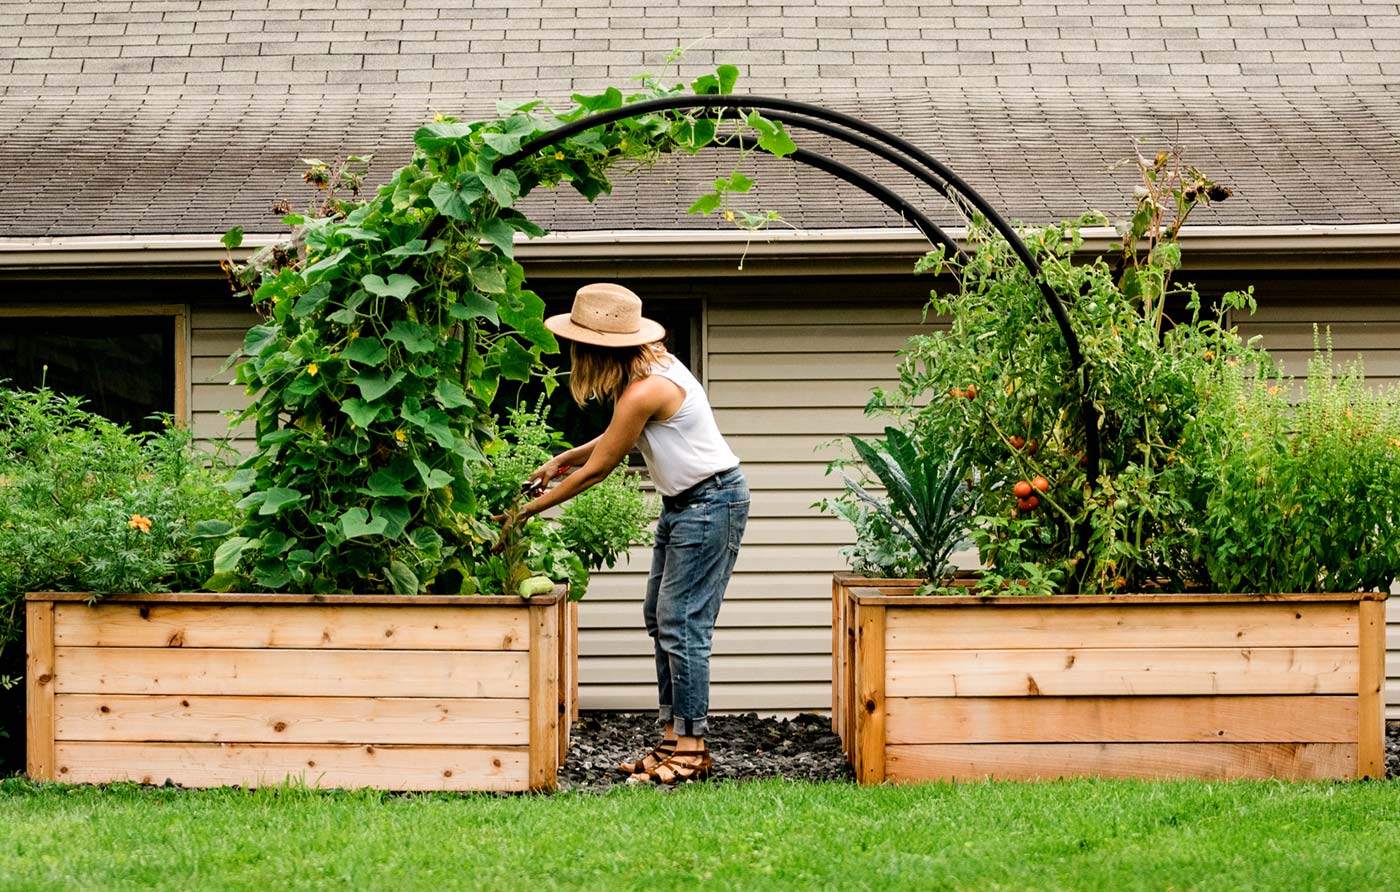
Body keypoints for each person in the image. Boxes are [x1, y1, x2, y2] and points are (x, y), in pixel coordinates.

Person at [499, 282, 749, 783]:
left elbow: (602, 466)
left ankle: (693, 748)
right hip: (687, 504)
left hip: (711, 502)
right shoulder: (651, 371)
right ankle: (673, 738)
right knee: (661, 617)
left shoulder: (647, 387)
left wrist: (525, 512)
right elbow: (619, 432)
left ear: (599, 349)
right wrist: (562, 459)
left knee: (684, 623)